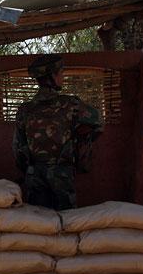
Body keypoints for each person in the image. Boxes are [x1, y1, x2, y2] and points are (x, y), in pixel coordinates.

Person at [12, 54, 102, 210]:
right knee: (67, 222)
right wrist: (80, 143)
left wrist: (27, 169)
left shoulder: (24, 110)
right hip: (62, 174)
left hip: (34, 175)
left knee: (37, 222)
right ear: (52, 76)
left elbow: (18, 146)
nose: (63, 77)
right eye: (61, 73)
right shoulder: (70, 104)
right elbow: (98, 123)